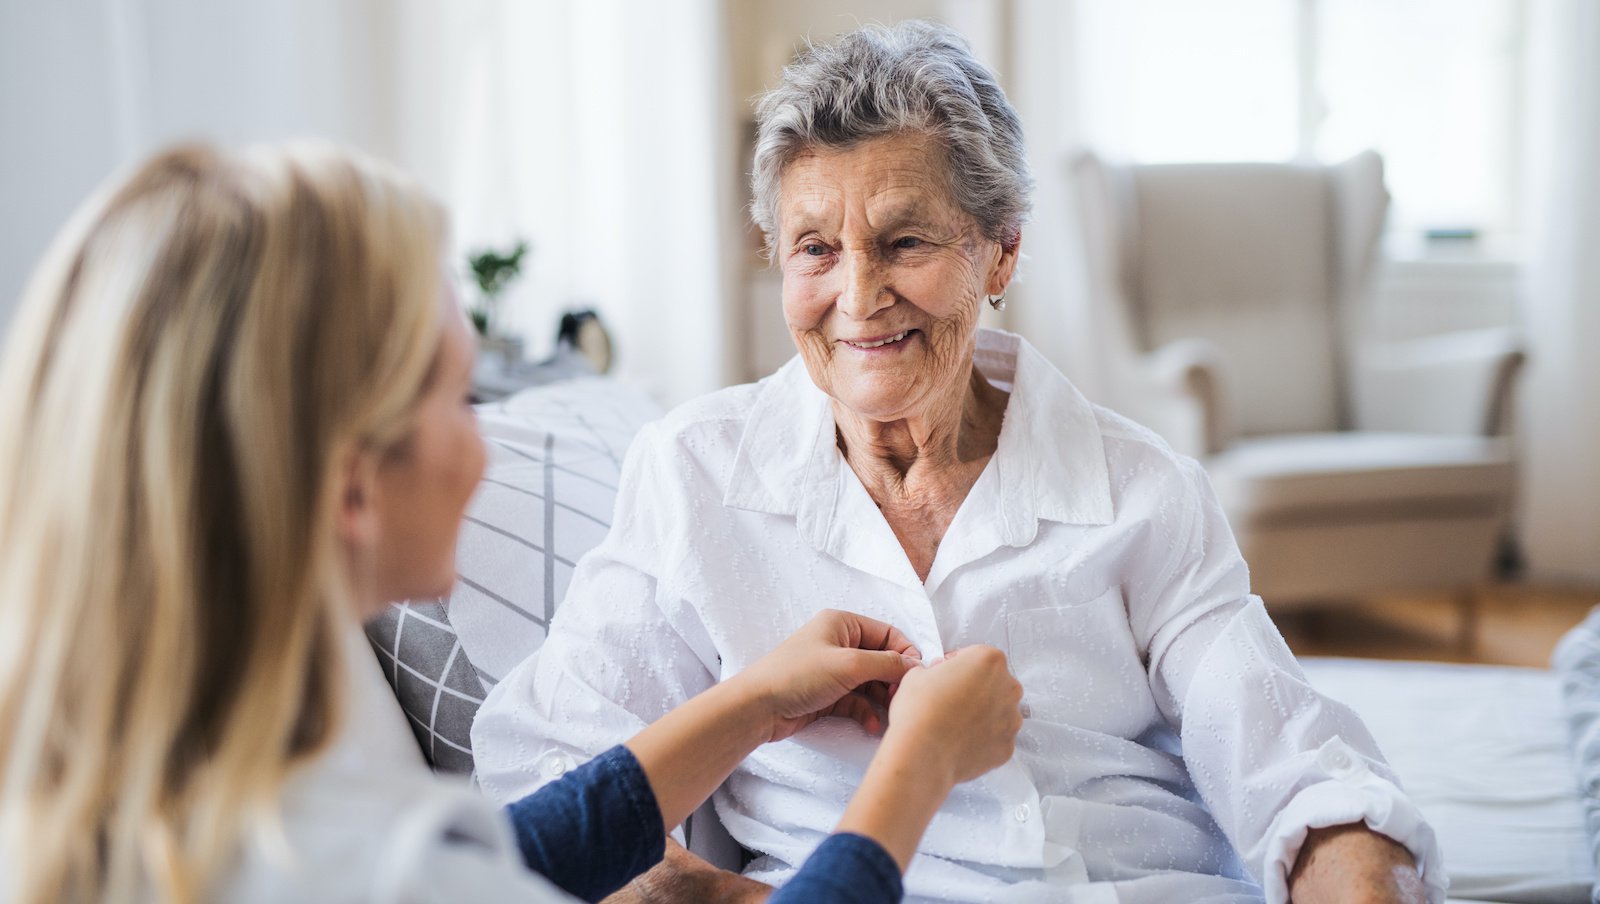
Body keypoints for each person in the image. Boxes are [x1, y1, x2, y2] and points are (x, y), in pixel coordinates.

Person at [472, 20, 1445, 904]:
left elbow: (1302, 778)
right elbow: (549, 771)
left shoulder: (1142, 490)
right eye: (815, 248)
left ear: (1002, 251)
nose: (859, 296)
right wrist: (719, 897)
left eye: (904, 242)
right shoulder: (694, 475)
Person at [0, 141, 1025, 904]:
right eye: (459, 399)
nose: (489, 448)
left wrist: (751, 701)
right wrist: (919, 764)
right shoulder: (358, 869)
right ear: (352, 487)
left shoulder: (177, 804)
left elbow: (509, 857)